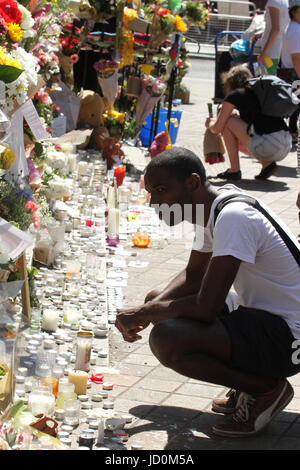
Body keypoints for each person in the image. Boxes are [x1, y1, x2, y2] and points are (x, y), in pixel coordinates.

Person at [116, 147, 300, 438]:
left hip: (290, 340)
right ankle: (248, 378)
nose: (155, 202)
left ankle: (264, 388)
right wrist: (151, 307)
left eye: (161, 190)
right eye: (151, 192)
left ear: (192, 183)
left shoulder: (234, 217)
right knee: (157, 300)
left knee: (167, 339)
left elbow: (206, 306)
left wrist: (143, 314)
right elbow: (193, 275)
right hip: (268, 318)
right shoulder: (213, 207)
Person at [206, 64, 292, 181]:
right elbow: (260, 119)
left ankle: (234, 170)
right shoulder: (258, 92)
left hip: (270, 144)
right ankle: (267, 164)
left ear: (230, 82)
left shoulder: (235, 95)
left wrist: (210, 124)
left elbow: (217, 128)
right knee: (233, 125)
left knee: (228, 122)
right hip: (285, 143)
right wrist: (239, 119)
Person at [280, 0, 300, 144]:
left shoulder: (294, 28)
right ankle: (291, 132)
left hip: (293, 74)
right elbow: (296, 59)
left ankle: (291, 131)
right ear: (293, 11)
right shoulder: (295, 30)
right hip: (294, 74)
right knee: (294, 106)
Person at [257, 0, 290, 74]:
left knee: (267, 78)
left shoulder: (273, 2)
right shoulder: (286, 2)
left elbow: (276, 29)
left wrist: (264, 52)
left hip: (271, 50)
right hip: (281, 47)